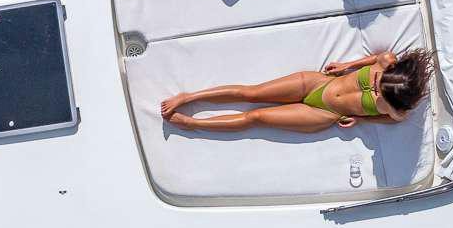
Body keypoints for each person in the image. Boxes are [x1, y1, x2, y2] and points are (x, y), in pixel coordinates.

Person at [161, 49, 435, 133]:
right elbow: (378, 55)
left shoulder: (396, 110)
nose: (375, 86)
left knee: (255, 118)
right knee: (251, 93)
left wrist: (362, 118)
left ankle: (193, 123)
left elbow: (394, 119)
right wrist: (348, 65)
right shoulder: (386, 62)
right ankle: (188, 97)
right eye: (378, 82)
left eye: (379, 92)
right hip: (319, 83)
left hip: (324, 112)